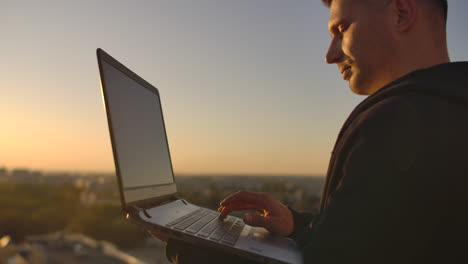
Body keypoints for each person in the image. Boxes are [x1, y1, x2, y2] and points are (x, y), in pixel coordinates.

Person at [154, 0, 468, 263]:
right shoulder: (450, 104)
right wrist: (298, 227)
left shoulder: (401, 119)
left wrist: (190, 249)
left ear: (401, 13)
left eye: (342, 29)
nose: (330, 55)